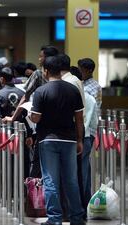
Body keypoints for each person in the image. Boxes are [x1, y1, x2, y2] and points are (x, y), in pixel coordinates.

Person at [30, 56, 86, 225]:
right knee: (71, 180)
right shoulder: (72, 90)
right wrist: (79, 140)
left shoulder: (41, 91)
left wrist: (31, 115)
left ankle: (54, 219)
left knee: (50, 180)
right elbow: (79, 118)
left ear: (46, 71)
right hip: (69, 140)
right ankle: (77, 218)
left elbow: (36, 118)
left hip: (47, 140)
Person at [80, 92, 98, 212]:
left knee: (77, 172)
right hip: (86, 137)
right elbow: (94, 122)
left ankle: (79, 205)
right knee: (84, 170)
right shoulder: (90, 98)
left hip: (75, 137)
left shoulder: (70, 94)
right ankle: (85, 203)